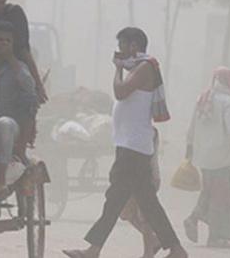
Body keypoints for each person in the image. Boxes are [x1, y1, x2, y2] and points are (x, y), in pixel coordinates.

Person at [63, 27, 187, 258]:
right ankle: (176, 248)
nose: (119, 51)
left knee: (116, 201)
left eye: (121, 46)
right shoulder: (140, 67)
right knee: (144, 202)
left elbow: (120, 92)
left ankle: (93, 249)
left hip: (134, 147)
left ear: (132, 46)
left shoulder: (145, 66)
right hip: (131, 145)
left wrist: (117, 69)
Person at [183, 67, 230, 249]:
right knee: (221, 199)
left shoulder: (203, 99)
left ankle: (194, 218)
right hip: (221, 158)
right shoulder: (228, 101)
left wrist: (188, 152)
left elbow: (191, 128)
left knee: (208, 193)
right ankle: (217, 236)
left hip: (204, 157)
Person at [0, 20, 39, 197]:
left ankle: (0, 179)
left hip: (11, 126)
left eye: (7, 41)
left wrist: (12, 60)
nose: (2, 43)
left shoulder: (19, 69)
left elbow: (29, 87)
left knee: (3, 124)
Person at [119, 129, 161, 258]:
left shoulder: (148, 131)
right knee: (126, 212)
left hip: (145, 177)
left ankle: (148, 252)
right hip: (135, 177)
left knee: (143, 215)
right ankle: (154, 241)